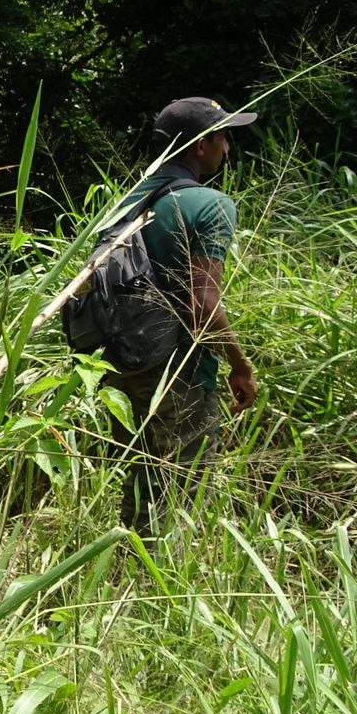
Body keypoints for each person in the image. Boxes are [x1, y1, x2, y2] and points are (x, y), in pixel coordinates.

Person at [108, 96, 260, 532]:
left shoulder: (126, 201)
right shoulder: (210, 204)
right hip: (181, 371)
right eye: (224, 137)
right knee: (181, 493)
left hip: (118, 368)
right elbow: (204, 302)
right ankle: (162, 589)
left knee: (142, 479)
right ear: (201, 146)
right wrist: (240, 366)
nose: (228, 148)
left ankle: (125, 575)